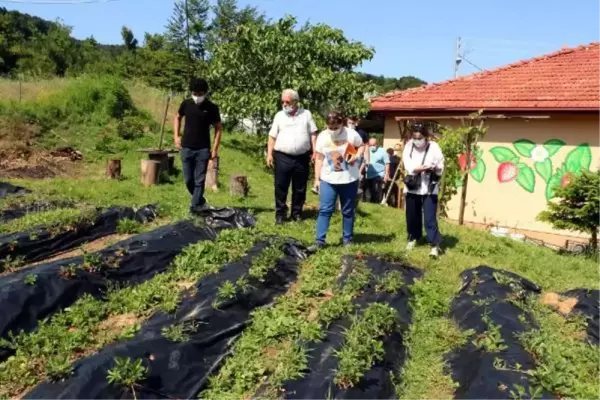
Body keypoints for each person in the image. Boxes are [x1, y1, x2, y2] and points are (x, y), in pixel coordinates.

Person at [311, 111, 365, 249]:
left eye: (336, 127)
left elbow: (362, 146)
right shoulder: (323, 136)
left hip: (349, 178)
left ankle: (347, 240)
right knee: (325, 209)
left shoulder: (351, 134)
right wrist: (316, 179)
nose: (333, 130)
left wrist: (357, 156)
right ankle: (319, 241)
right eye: (330, 128)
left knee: (347, 210)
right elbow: (319, 158)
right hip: (328, 178)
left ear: (342, 123)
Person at [266, 89, 318, 224]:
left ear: (295, 101)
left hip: (301, 157)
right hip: (282, 156)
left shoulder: (306, 114)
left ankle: (296, 213)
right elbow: (272, 136)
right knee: (280, 186)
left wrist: (315, 151)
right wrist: (269, 154)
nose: (284, 104)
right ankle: (280, 214)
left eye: (287, 101)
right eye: (282, 101)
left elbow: (313, 133)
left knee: (300, 187)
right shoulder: (279, 116)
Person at [174, 78, 222, 214]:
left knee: (199, 180)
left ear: (205, 93)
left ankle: (194, 208)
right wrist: (176, 136)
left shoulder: (212, 108)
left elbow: (218, 128)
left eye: (200, 94)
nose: (197, 96)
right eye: (195, 93)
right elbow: (177, 117)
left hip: (203, 149)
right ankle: (200, 201)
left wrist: (214, 149)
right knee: (188, 180)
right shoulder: (186, 104)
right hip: (186, 148)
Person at [402, 123, 445, 258]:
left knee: (429, 217)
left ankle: (434, 244)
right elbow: (407, 164)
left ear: (426, 137)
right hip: (413, 185)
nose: (417, 140)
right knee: (412, 215)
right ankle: (413, 237)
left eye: (420, 137)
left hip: (429, 186)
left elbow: (440, 163)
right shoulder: (409, 146)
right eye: (415, 137)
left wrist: (433, 167)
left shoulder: (434, 147)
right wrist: (417, 168)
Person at [364, 137, 390, 203]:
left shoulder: (383, 151)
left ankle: (376, 203)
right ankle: (369, 204)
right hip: (368, 174)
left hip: (379, 174)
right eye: (371, 145)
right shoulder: (367, 150)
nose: (372, 147)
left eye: (374, 145)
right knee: (368, 192)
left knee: (376, 191)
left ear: (377, 144)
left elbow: (387, 163)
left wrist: (386, 174)